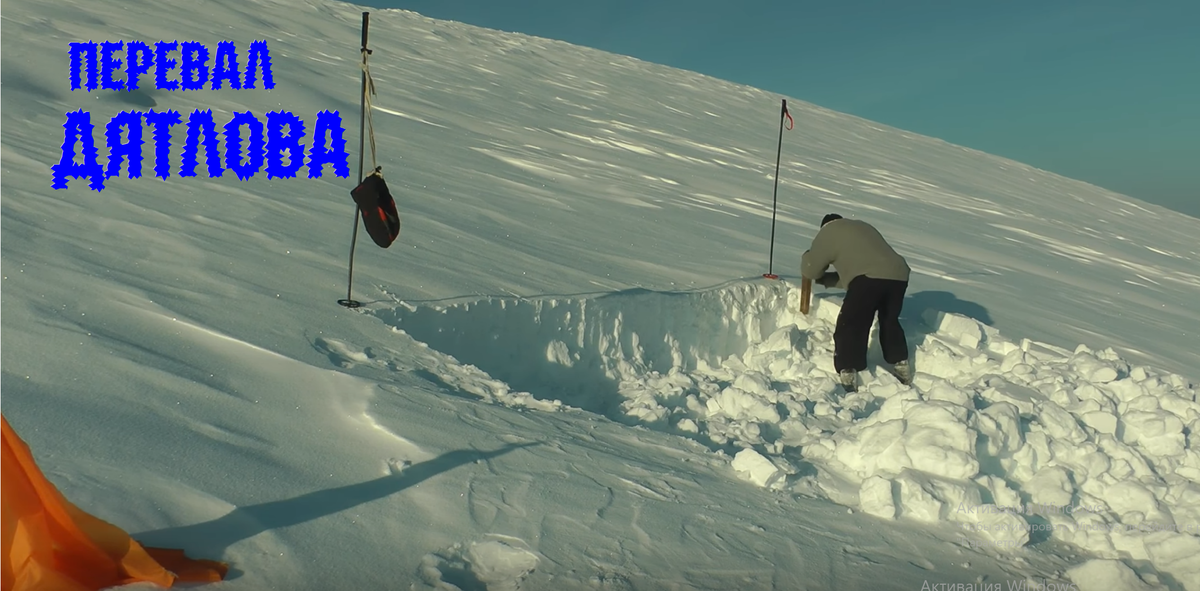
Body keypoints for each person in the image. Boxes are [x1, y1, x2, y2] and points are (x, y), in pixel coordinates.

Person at [801, 213, 912, 392]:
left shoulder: (829, 231)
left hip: (870, 277)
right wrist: (827, 280)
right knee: (889, 321)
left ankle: (848, 370)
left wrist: (807, 259)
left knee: (851, 323)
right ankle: (900, 364)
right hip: (899, 274)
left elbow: (811, 269)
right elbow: (858, 275)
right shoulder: (860, 226)